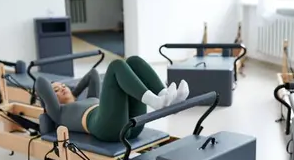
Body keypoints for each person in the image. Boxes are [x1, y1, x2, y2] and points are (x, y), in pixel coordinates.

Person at [36, 56, 189, 142]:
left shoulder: (89, 98)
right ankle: (156, 102)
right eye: (56, 90)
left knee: (134, 61)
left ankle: (164, 97)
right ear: (51, 99)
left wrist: (74, 93)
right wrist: (47, 100)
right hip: (107, 128)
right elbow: (40, 82)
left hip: (132, 126)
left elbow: (93, 74)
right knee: (116, 65)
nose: (62, 88)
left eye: (63, 85)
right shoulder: (59, 113)